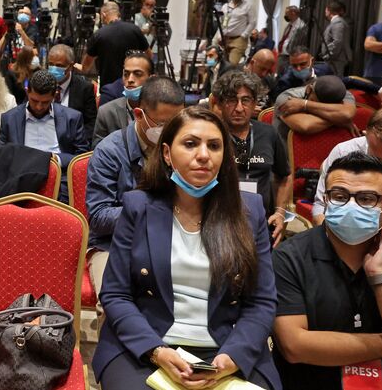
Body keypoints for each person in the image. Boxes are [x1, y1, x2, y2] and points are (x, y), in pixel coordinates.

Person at [92, 106, 280, 389]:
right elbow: (116, 295)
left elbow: (262, 302)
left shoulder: (249, 211)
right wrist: (158, 352)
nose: (203, 155)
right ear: (167, 154)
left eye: (214, 146)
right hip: (148, 344)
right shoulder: (137, 207)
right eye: (190, 144)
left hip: (226, 344)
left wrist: (230, 359)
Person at [272, 152, 382, 390]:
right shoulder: (289, 257)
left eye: (367, 198)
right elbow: (295, 346)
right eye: (340, 196)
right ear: (326, 200)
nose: (352, 206)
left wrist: (380, 278)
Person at [86, 77, 184, 302]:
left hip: (170, 241)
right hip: (113, 245)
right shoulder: (109, 151)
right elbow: (99, 217)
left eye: (176, 124)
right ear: (139, 115)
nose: (170, 132)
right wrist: (156, 211)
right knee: (115, 303)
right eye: (162, 125)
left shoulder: (181, 149)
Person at [310, 106, 382, 249]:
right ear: (366, 135)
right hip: (346, 235)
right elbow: (321, 207)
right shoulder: (344, 151)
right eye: (377, 159)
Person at [211, 71, 292, 245]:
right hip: (220, 222)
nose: (239, 108)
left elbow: (284, 176)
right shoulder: (211, 135)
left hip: (261, 223)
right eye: (232, 100)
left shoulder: (269, 133)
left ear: (254, 103)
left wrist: (279, 213)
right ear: (220, 104)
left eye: (246, 100)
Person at [0, 70, 90, 201]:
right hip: (19, 180)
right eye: (34, 100)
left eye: (45, 102)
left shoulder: (72, 118)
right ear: (27, 92)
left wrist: (55, 159)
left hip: (60, 181)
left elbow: (82, 156)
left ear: (54, 96)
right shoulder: (10, 118)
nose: (39, 107)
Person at [80, 2, 150, 86]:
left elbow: (86, 66)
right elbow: (149, 55)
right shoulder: (134, 29)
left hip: (108, 87)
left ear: (103, 15)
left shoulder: (99, 35)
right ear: (118, 14)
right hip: (133, 84)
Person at [94, 53, 155, 146]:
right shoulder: (106, 112)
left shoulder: (161, 111)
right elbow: (97, 152)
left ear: (151, 79)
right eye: (126, 74)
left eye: (137, 74)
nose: (130, 79)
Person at [272, 74, 356, 143]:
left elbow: (347, 114)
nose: (322, 110)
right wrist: (338, 118)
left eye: (328, 107)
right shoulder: (287, 97)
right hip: (285, 157)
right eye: (317, 102)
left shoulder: (342, 94)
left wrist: (305, 105)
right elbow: (306, 125)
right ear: (309, 89)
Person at [47, 44, 97, 143]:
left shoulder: (84, 88)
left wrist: (79, 144)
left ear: (70, 66)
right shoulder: (41, 82)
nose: (53, 69)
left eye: (59, 65)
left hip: (72, 142)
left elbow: (91, 124)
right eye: (51, 64)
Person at [212, 0, 256, 66]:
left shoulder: (248, 6)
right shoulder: (226, 6)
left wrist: (244, 35)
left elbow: (252, 22)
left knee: (231, 65)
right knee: (220, 64)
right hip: (225, 39)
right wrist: (221, 35)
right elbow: (224, 22)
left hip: (238, 40)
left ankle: (228, 77)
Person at [320, 1, 352, 76]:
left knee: (333, 83)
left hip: (335, 60)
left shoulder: (338, 23)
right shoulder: (336, 22)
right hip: (334, 60)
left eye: (326, 10)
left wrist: (329, 56)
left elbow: (337, 42)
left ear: (328, 10)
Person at [277, 6, 307, 73]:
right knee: (279, 74)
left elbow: (300, 42)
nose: (285, 15)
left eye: (287, 13)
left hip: (291, 55)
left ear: (293, 13)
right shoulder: (289, 25)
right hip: (283, 54)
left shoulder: (301, 26)